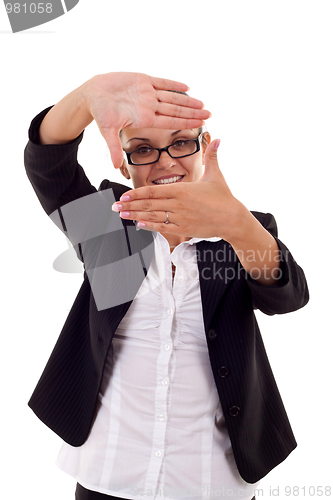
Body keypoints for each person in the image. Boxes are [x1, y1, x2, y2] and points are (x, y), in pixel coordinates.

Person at [24, 72, 309, 500]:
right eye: (142, 149)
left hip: (213, 480)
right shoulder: (109, 231)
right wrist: (86, 97)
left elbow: (287, 297)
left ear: (203, 143)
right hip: (110, 472)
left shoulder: (241, 234)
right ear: (122, 160)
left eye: (180, 142)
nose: (165, 161)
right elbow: (47, 162)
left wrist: (236, 224)